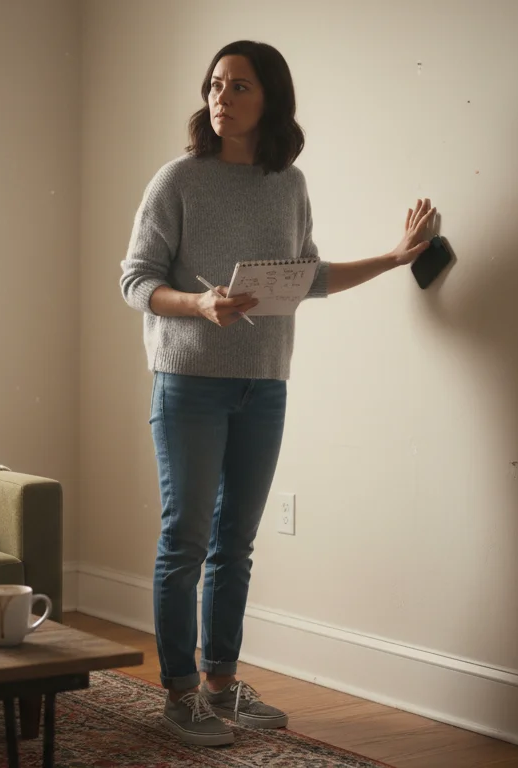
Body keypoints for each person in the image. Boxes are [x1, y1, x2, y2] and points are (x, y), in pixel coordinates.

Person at [118, 39, 437, 747]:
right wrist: (199, 308)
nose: (220, 99)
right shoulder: (177, 180)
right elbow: (136, 282)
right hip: (189, 384)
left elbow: (308, 277)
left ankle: (222, 685)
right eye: (214, 86)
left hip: (264, 384)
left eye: (238, 88)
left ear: (271, 100)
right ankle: (178, 695)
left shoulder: (288, 185)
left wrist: (394, 257)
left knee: (237, 542)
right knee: (186, 540)